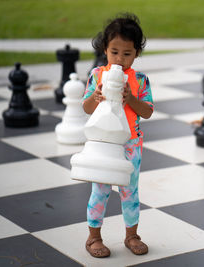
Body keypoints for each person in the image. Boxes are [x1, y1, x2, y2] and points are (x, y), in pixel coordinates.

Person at [82, 13, 153, 258]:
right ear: (105, 49)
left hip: (131, 143)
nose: (120, 59)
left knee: (130, 190)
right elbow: (86, 108)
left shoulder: (140, 80)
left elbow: (148, 111)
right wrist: (96, 96)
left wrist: (131, 98)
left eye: (127, 54)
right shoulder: (97, 75)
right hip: (103, 143)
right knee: (100, 189)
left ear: (136, 54)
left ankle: (132, 235)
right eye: (114, 52)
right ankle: (94, 238)